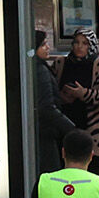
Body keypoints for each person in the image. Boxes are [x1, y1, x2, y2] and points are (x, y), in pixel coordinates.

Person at [50, 28, 99, 174]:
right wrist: (62, 96)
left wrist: (82, 93)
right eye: (77, 42)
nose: (79, 46)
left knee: (91, 170)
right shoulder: (61, 63)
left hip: (91, 126)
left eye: (84, 43)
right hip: (65, 123)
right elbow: (51, 89)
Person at [33, 31, 83, 175]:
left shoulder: (38, 67)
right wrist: (70, 128)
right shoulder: (40, 70)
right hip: (46, 131)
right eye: (43, 45)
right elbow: (46, 107)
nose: (48, 47)